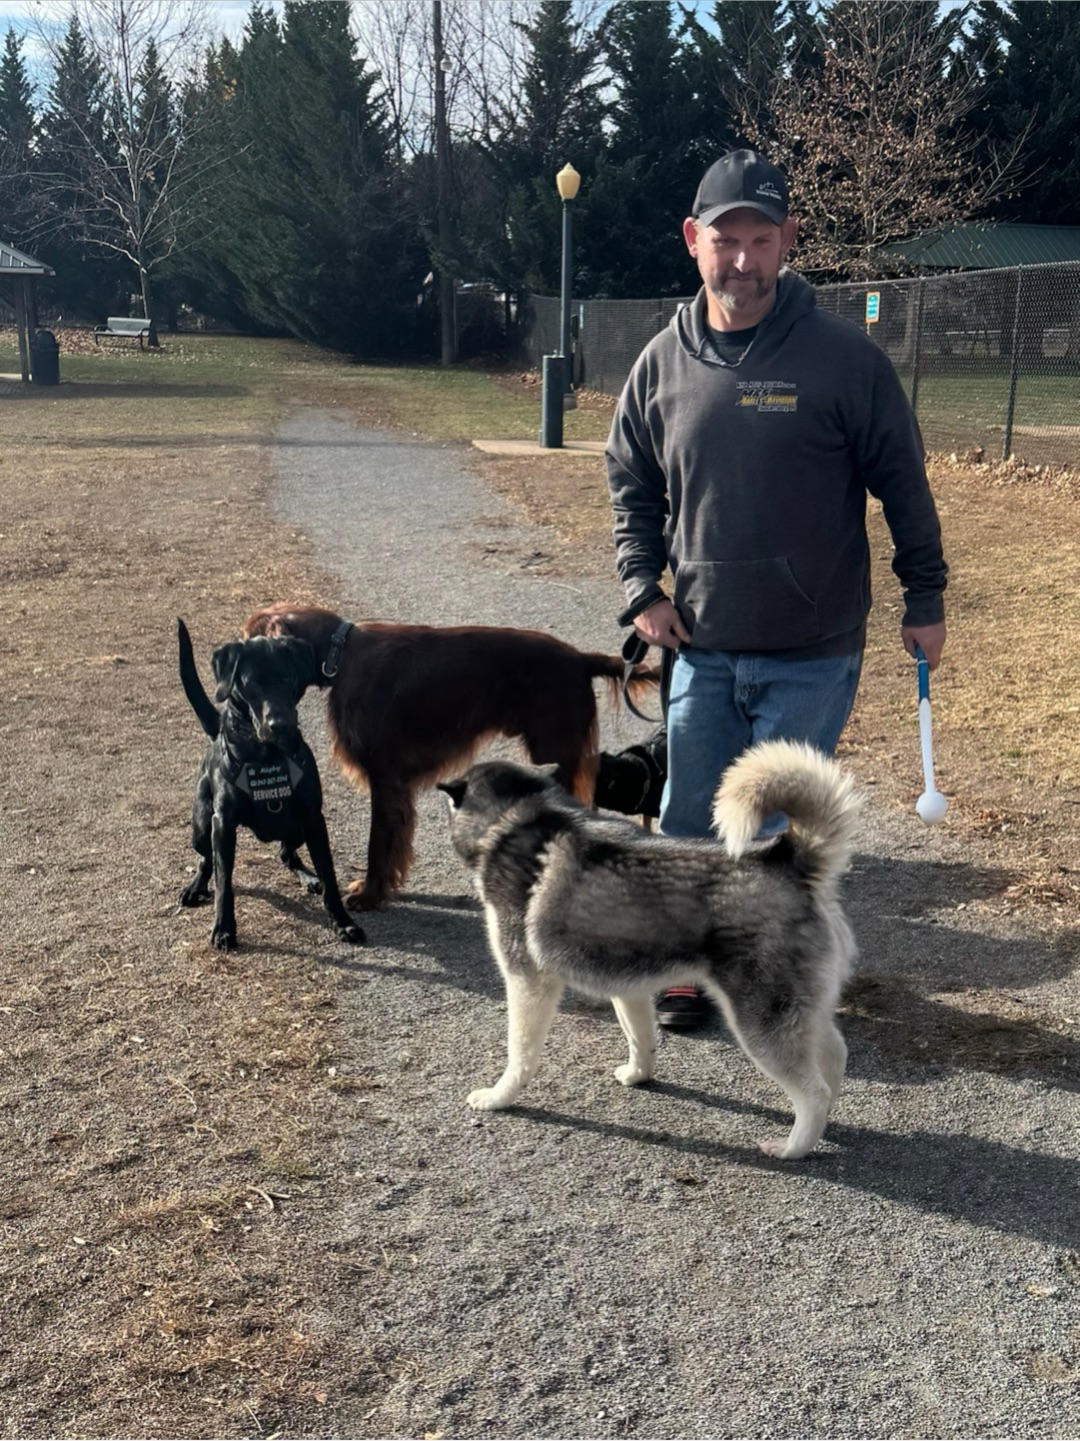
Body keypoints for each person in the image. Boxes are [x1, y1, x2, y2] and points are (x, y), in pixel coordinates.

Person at [605, 148, 947, 1030]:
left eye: (763, 239)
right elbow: (630, 483)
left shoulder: (844, 360)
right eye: (728, 240)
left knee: (775, 828)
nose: (745, 261)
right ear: (694, 240)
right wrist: (644, 585)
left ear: (790, 240)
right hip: (703, 643)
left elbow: (902, 481)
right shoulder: (660, 365)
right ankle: (686, 969)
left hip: (812, 646)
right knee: (688, 813)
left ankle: (761, 971)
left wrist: (925, 597)